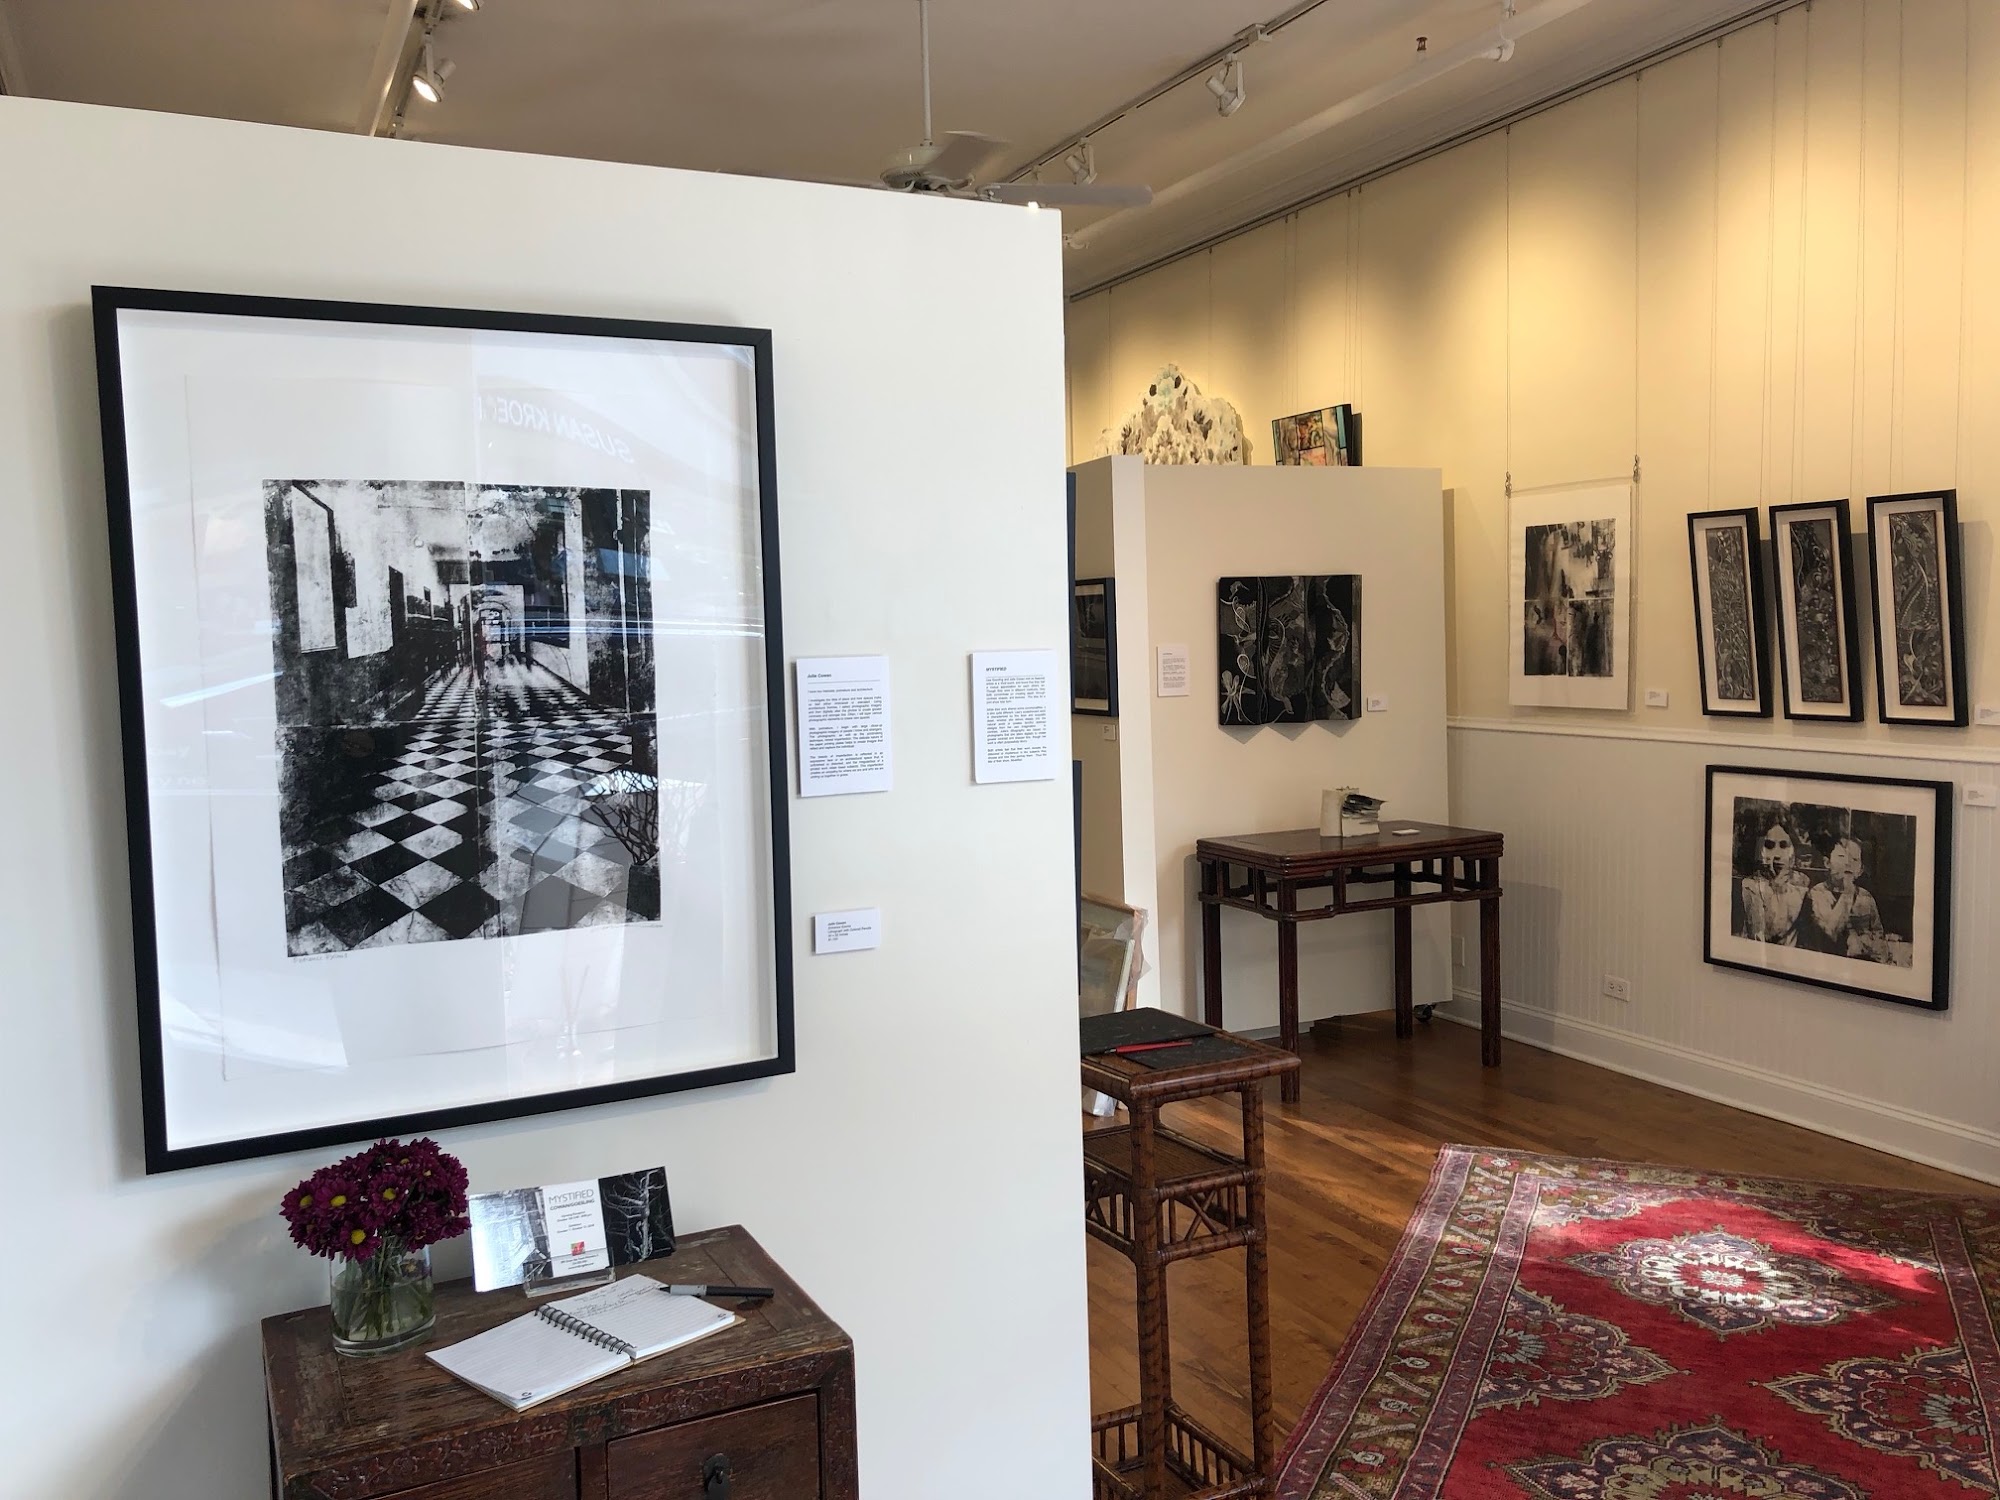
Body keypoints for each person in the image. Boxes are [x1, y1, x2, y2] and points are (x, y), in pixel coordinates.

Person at [1800, 837, 1886, 959]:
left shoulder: (1866, 897)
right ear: (1827, 863)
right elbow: (1829, 934)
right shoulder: (1817, 893)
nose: (1848, 863)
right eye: (1841, 856)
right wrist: (1847, 893)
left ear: (1860, 870)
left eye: (1855, 859)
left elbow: (1878, 936)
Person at [1740, 818, 1809, 945]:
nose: (1777, 854)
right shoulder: (1750, 885)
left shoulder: (1802, 882)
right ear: (1761, 851)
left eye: (1783, 845)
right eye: (1769, 846)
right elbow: (1763, 934)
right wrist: (1775, 890)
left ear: (1794, 851)